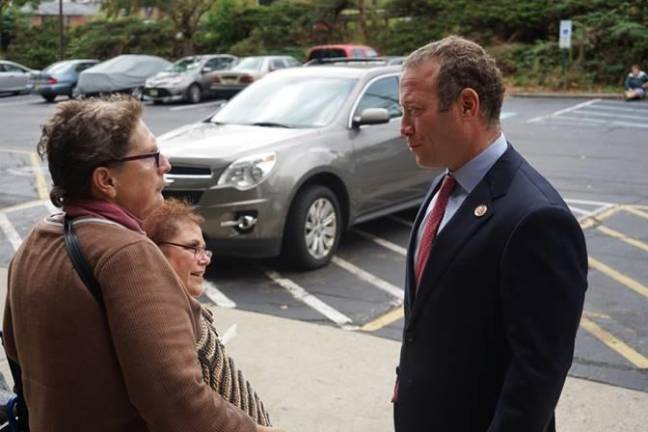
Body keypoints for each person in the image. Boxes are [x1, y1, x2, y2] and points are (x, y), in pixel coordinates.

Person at [2, 95, 279, 432]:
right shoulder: (127, 253)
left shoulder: (35, 241)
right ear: (106, 180)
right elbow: (176, 399)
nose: (166, 165)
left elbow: (16, 353)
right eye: (151, 156)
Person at [393, 36, 588, 432]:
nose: (403, 128)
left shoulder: (538, 219)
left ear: (468, 105)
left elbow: (536, 377)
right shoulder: (442, 185)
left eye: (415, 111)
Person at [143, 198, 272, 427]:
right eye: (193, 248)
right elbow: (189, 405)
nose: (204, 260)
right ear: (155, 251)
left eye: (204, 249)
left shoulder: (186, 310)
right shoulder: (166, 321)